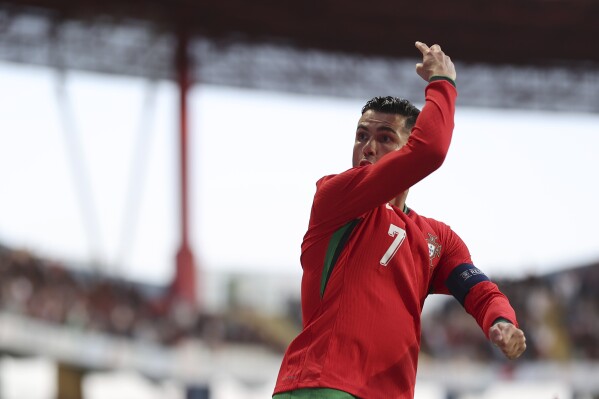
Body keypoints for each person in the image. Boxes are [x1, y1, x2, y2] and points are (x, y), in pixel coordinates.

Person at [272, 41, 527, 399]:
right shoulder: (336, 197)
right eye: (362, 136)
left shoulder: (437, 238)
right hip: (324, 384)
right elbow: (431, 150)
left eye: (385, 137)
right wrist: (442, 82)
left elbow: (479, 291)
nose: (369, 148)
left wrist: (501, 321)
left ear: (408, 144)